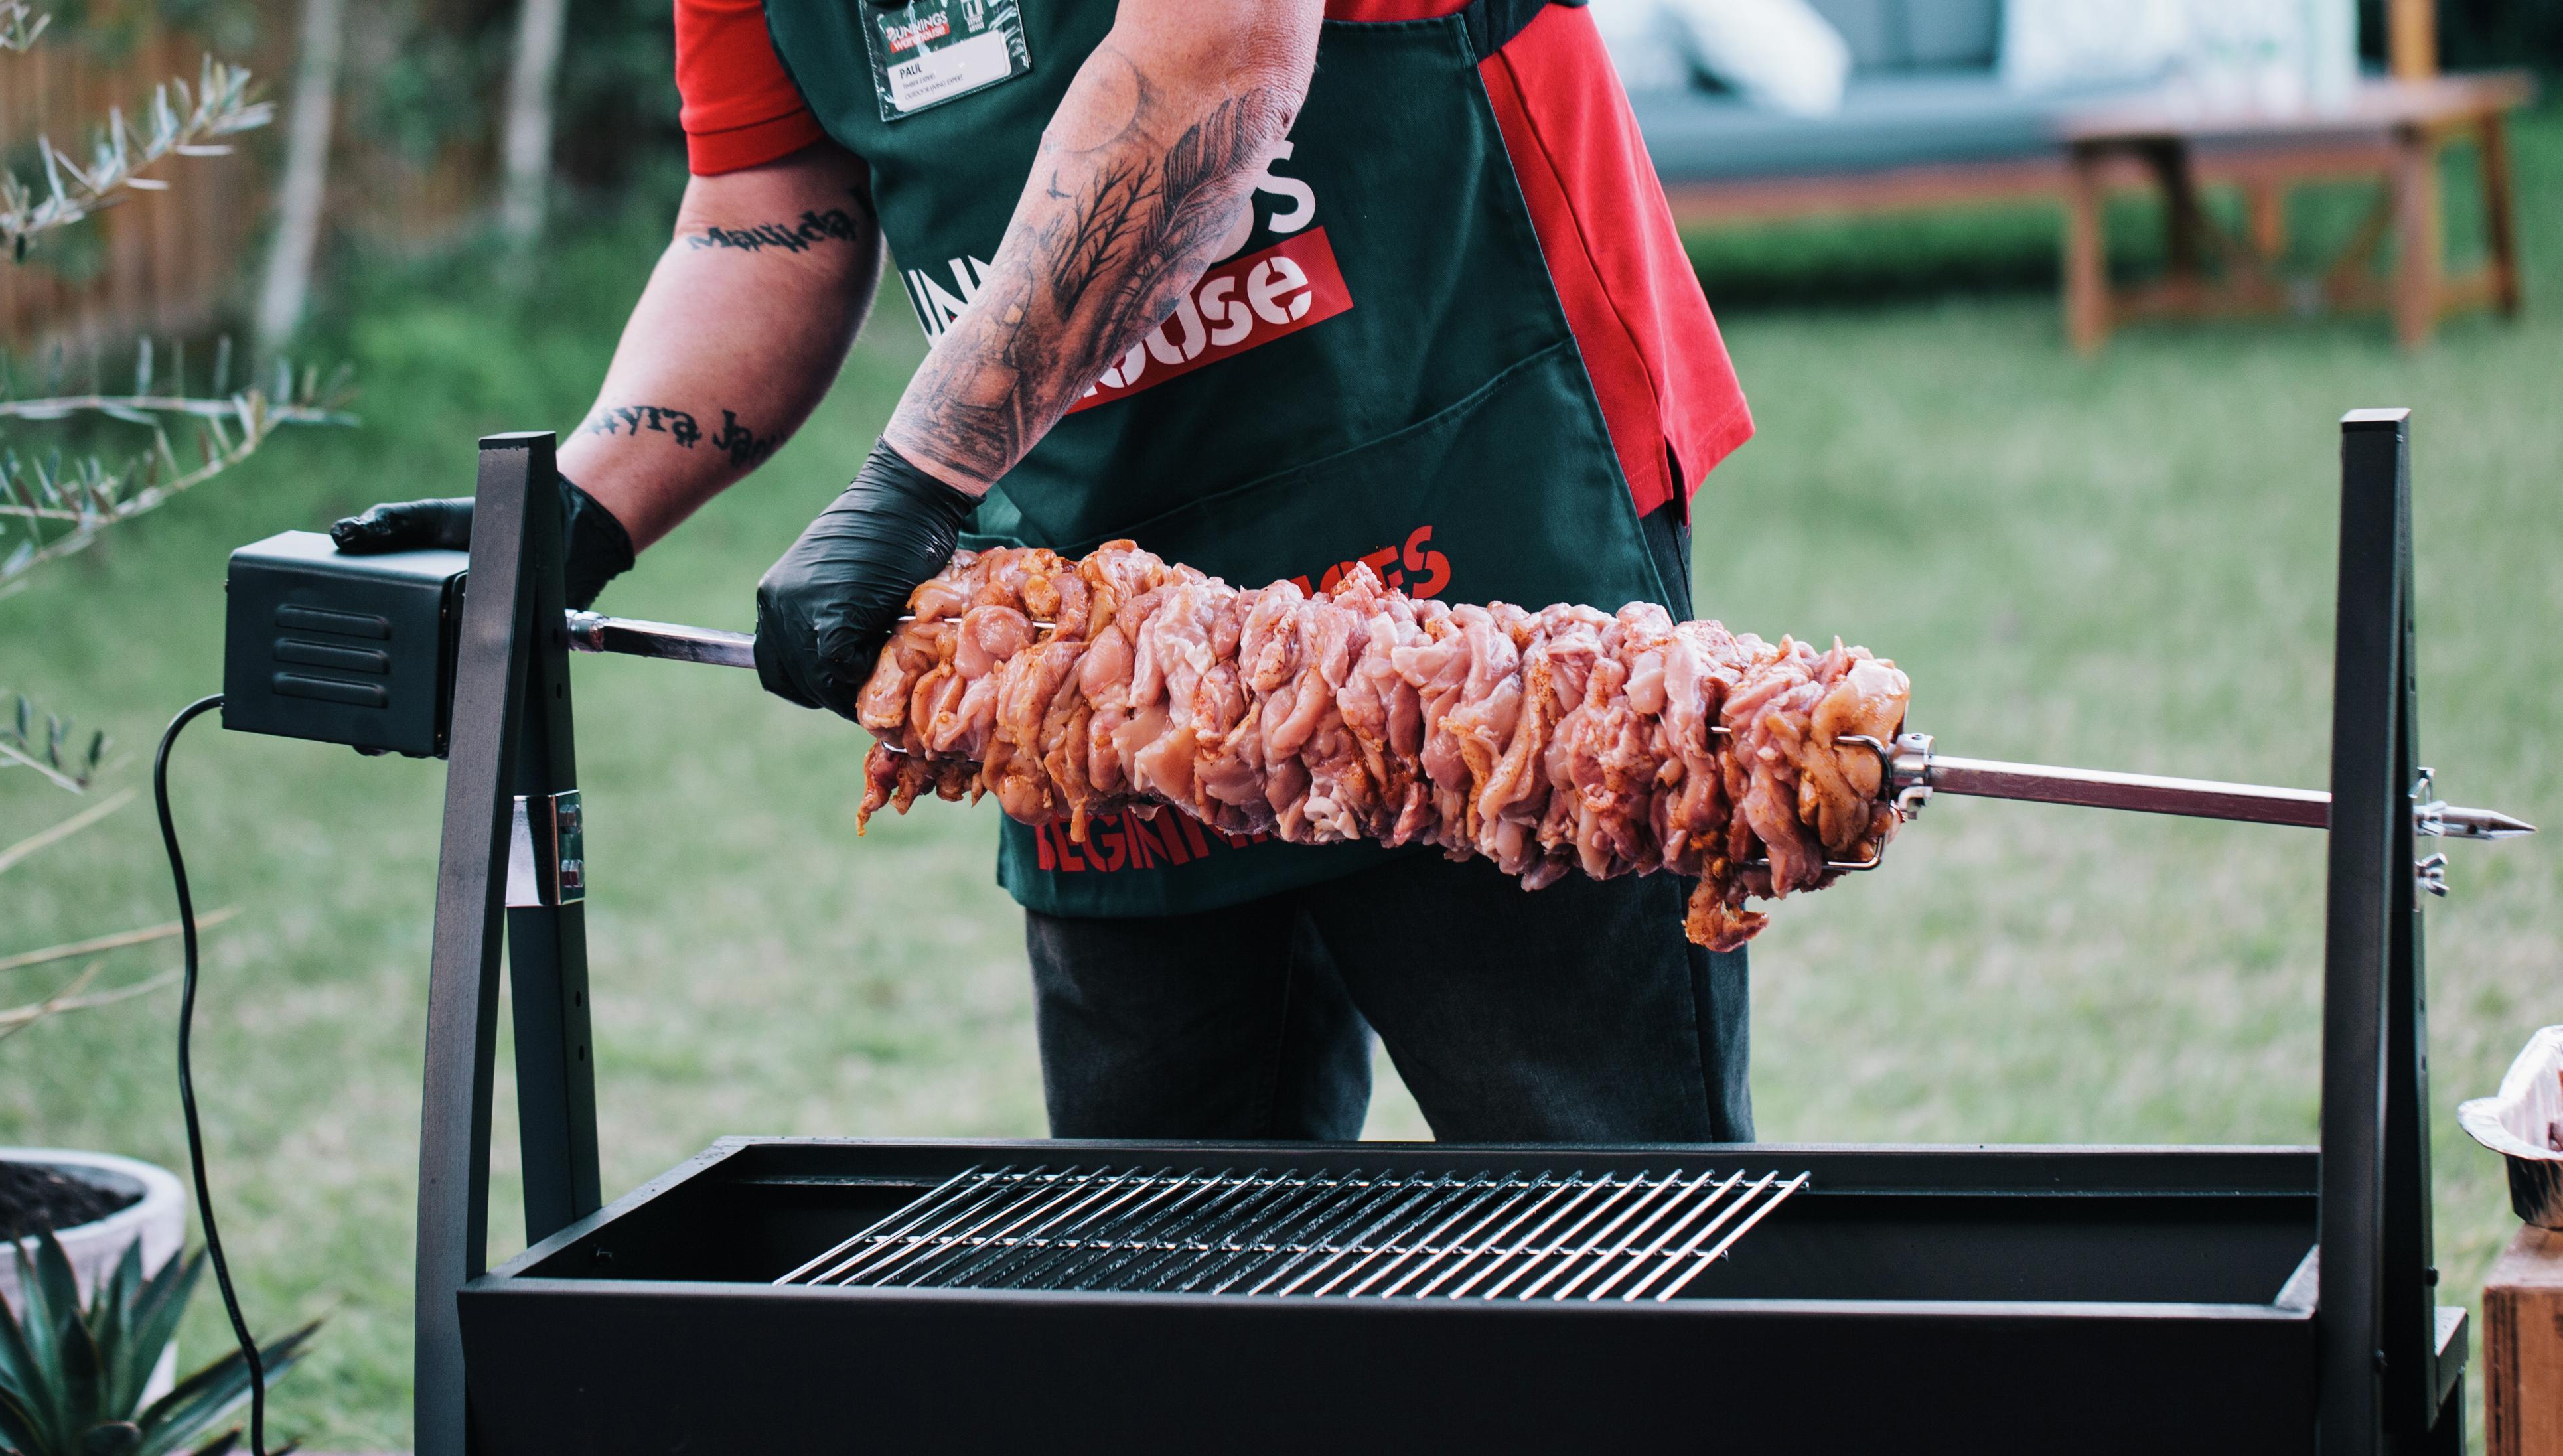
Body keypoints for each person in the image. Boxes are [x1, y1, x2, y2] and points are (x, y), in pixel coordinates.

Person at [335, 0, 1759, 1144]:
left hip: (1472, 499)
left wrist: (913, 482)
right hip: (1110, 628)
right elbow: (765, 211)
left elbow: (1218, 63)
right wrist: (581, 508)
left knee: (1599, 1192)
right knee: (1159, 1254)